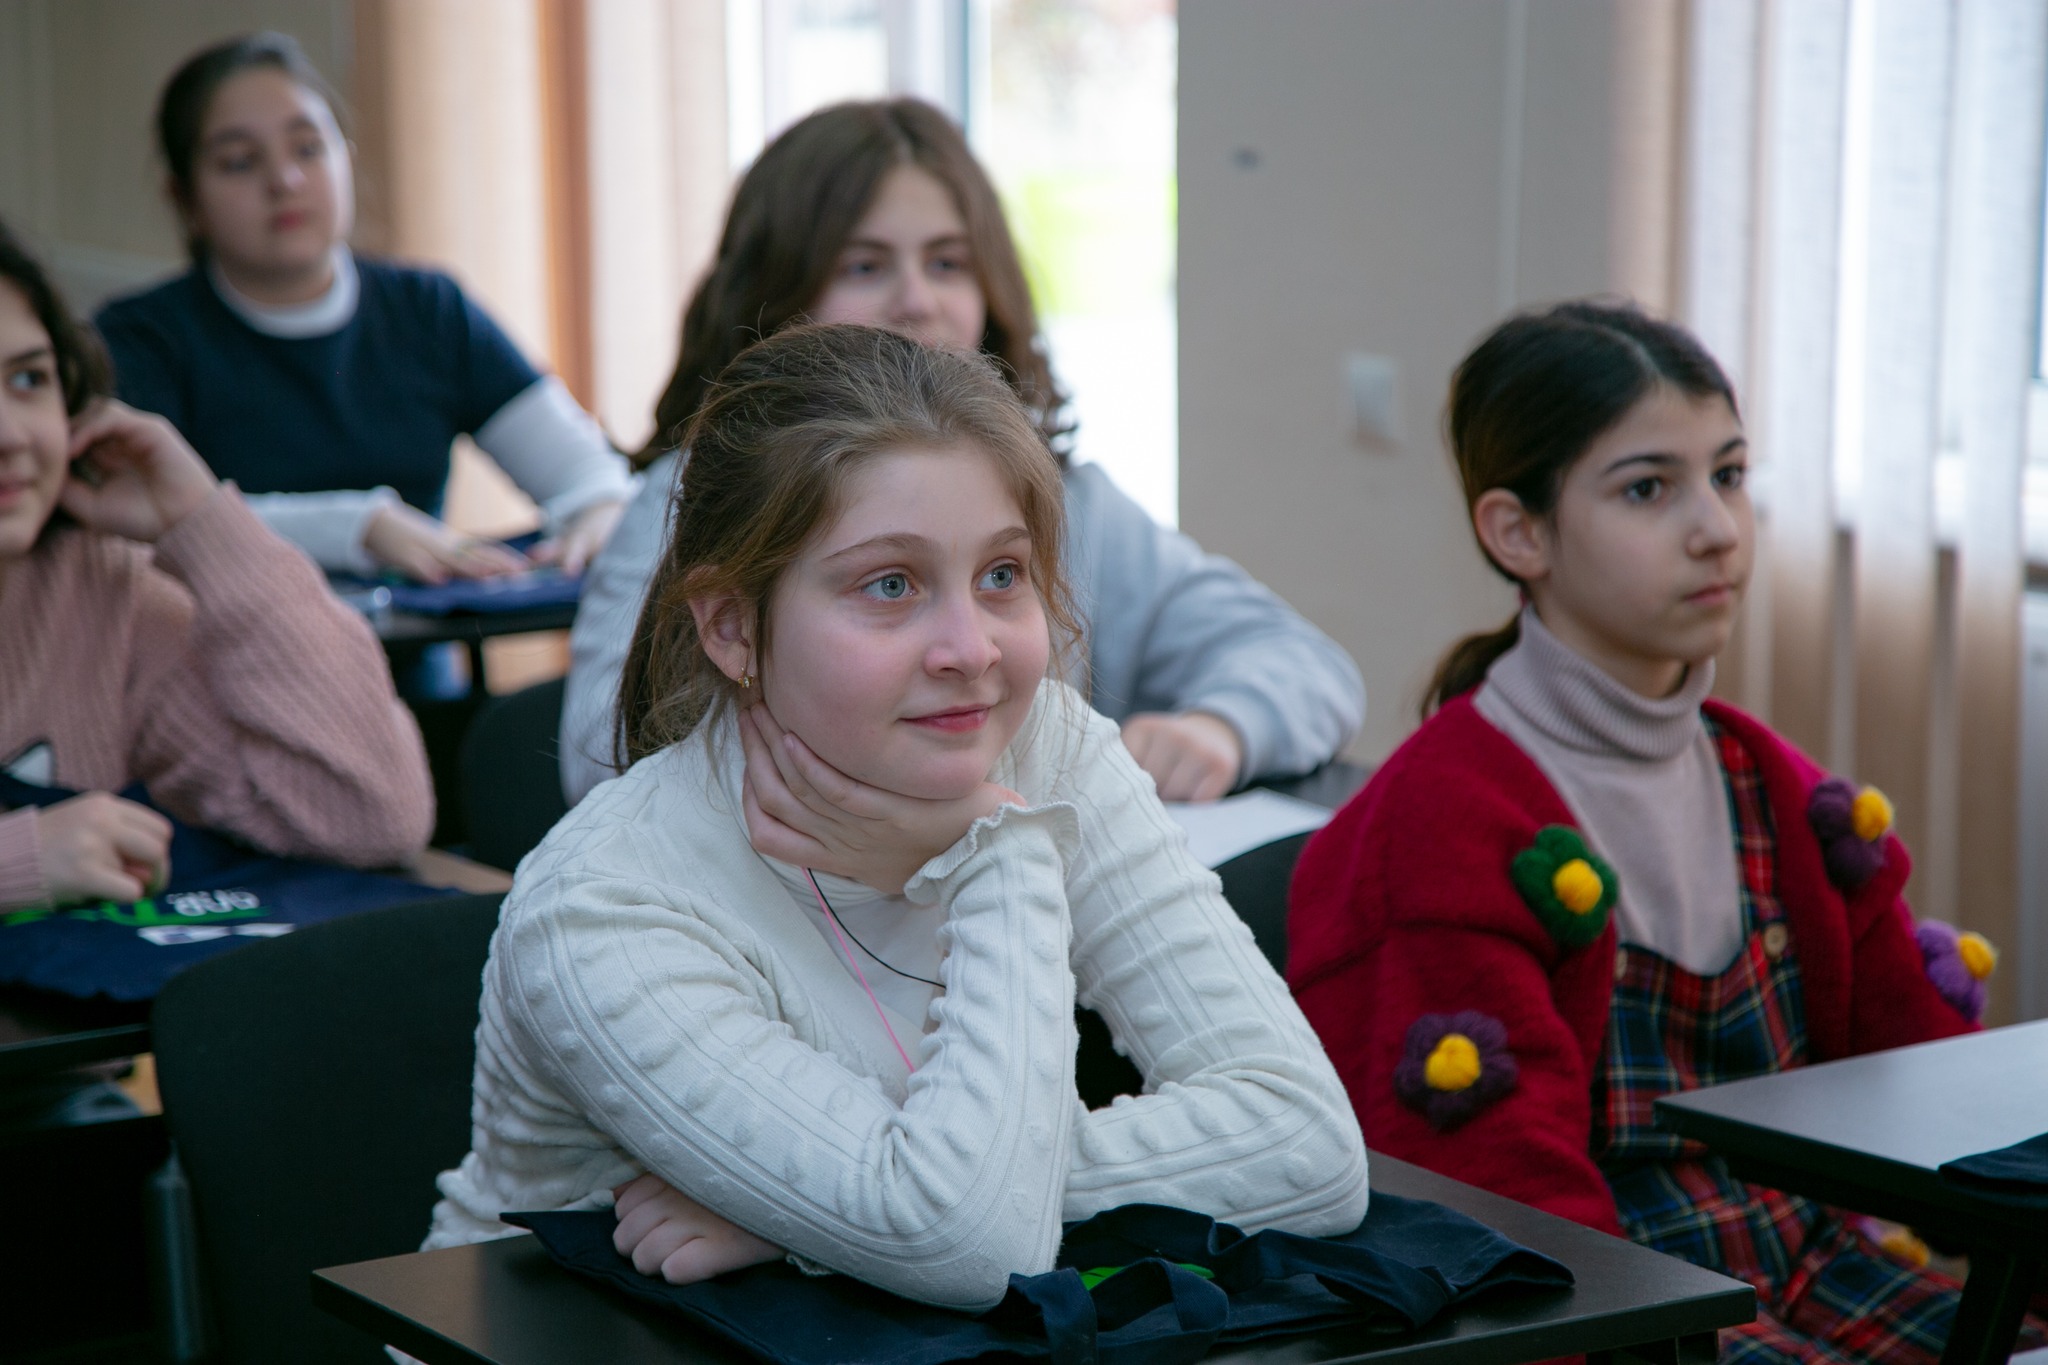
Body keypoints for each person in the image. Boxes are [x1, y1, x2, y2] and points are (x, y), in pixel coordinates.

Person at [423, 323, 1369, 1308]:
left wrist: (815, 1216)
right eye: (890, 585)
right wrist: (1003, 850)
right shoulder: (606, 902)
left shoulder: (1049, 748)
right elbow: (969, 1241)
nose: (972, 649)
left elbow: (1307, 1144)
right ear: (732, 626)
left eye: (1000, 575)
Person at [1286, 301, 2041, 1364]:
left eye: (1727, 475)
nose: (1717, 528)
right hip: (1633, 1313)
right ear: (1517, 533)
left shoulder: (1783, 797)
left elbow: (1936, 1101)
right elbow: (1503, 1213)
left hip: (1820, 1266)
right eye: (1648, 488)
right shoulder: (1442, 824)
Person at [560, 97, 1361, 806]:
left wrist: (1222, 726)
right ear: (774, 295)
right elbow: (604, 761)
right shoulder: (686, 505)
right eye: (864, 266)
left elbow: (1306, 662)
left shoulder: (1071, 501)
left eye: (947, 263)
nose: (917, 301)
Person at [0, 217, 433, 912]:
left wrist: (205, 524)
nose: (11, 435)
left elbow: (371, 814)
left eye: (29, 379)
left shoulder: (106, 588)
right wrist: (18, 860)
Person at [93, 32, 631, 584]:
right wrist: (361, 526)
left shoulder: (427, 309)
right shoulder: (140, 338)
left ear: (345, 159)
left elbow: (587, 475)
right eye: (240, 162)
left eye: (308, 149)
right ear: (184, 199)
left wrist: (599, 515)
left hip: (414, 639)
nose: (285, 181)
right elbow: (143, 513)